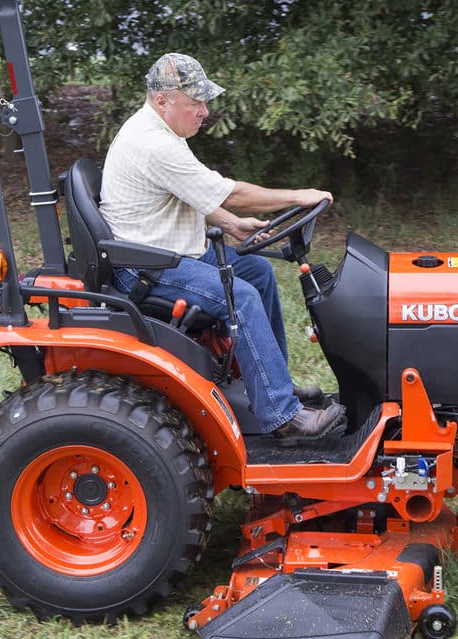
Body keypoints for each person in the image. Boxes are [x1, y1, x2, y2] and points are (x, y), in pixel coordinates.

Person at [100, 52, 344, 440]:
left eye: (204, 101)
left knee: (258, 272)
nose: (205, 110)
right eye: (195, 102)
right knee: (241, 296)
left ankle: (270, 386)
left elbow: (193, 197)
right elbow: (230, 194)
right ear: (163, 100)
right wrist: (300, 196)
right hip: (146, 267)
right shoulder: (153, 144)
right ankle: (283, 416)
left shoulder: (161, 132)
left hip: (166, 250)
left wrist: (231, 225)